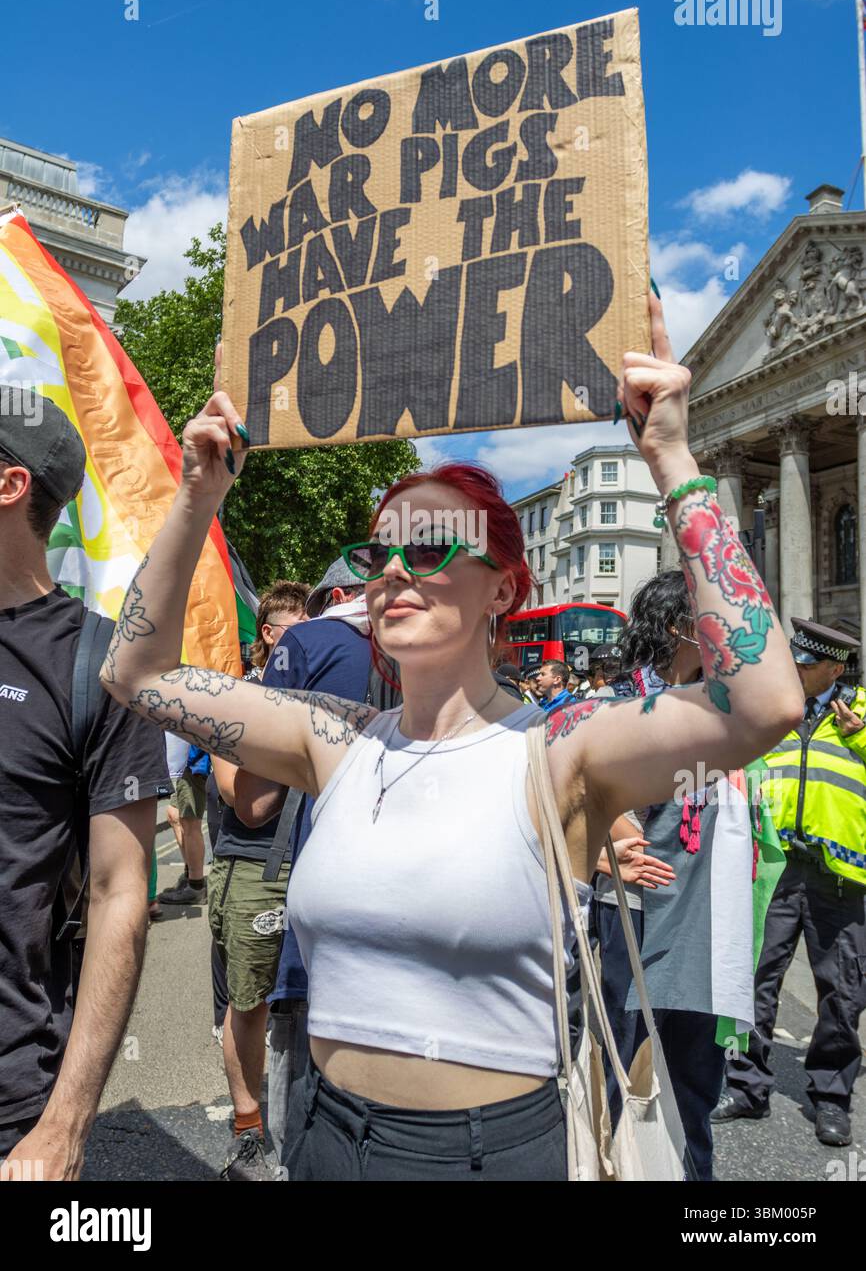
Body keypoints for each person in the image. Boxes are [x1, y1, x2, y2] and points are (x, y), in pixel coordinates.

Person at [101, 293, 803, 1182]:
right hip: (319, 1132)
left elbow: (763, 705)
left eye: (431, 548)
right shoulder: (338, 741)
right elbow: (137, 674)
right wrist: (200, 493)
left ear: (504, 590)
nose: (394, 570)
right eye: (378, 552)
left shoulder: (561, 749)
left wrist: (667, 455)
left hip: (484, 1157)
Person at [0, 387, 170, 1176]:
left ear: (11, 484)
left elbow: (118, 896)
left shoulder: (95, 669)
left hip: (11, 1103)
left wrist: (64, 1129)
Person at [590, 568, 756, 1180]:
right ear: (677, 628)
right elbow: (571, 810)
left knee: (692, 1096)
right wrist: (604, 846)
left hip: (706, 933)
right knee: (619, 1084)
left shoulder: (726, 712)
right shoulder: (614, 711)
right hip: (634, 931)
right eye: (713, 618)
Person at [231, 558, 385, 1171]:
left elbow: (254, 799)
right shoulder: (446, 655)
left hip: (321, 889)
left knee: (303, 1076)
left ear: (336, 596)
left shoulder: (309, 641)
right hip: (419, 920)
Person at [713, 618, 866, 1148]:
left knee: (842, 995)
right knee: (753, 982)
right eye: (794, 662)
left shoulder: (863, 713)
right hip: (771, 870)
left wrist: (860, 736)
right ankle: (746, 1087)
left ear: (836, 669)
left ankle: (831, 1098)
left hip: (840, 879)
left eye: (807, 666)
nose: (795, 671)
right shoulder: (773, 710)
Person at [205, 580, 314, 1178]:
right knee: (249, 1003)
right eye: (300, 630)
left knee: (308, 1003)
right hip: (255, 869)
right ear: (271, 636)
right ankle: (248, 1126)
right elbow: (237, 795)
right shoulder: (237, 698)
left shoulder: (329, 695)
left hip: (317, 864)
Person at [158, 738, 211, 906]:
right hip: (182, 761)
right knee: (174, 815)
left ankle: (196, 886)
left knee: (190, 822)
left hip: (192, 760)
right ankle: (190, 874)